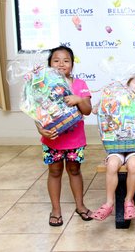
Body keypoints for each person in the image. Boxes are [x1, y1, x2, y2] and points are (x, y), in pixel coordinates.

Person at [36, 45, 93, 226]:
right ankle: (56, 209)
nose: (61, 64)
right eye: (56, 60)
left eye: (66, 61)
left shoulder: (80, 85)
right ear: (49, 64)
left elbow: (88, 110)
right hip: (52, 139)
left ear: (72, 65)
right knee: (54, 172)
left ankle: (80, 206)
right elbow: (37, 112)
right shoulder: (43, 87)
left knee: (74, 171)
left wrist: (79, 99)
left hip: (75, 140)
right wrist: (40, 128)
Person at [92, 73, 135, 221]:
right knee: (112, 164)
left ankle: (128, 201)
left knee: (133, 165)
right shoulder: (117, 104)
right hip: (116, 147)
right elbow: (94, 111)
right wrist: (106, 98)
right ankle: (109, 202)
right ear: (127, 87)